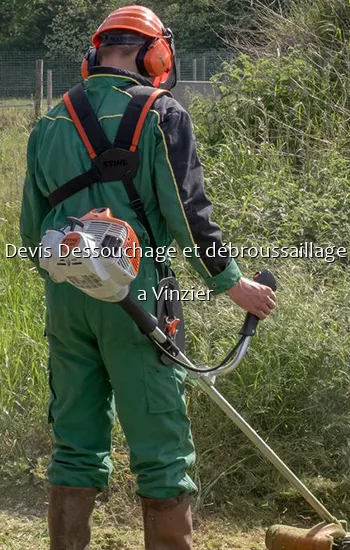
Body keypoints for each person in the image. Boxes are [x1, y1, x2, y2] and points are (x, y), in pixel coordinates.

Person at [20, 5, 276, 550]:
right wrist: (235, 285)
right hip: (141, 295)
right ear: (155, 53)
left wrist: (76, 270)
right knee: (161, 449)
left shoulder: (49, 121)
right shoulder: (162, 112)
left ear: (97, 52)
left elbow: (30, 230)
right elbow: (188, 215)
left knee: (74, 444)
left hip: (67, 297)